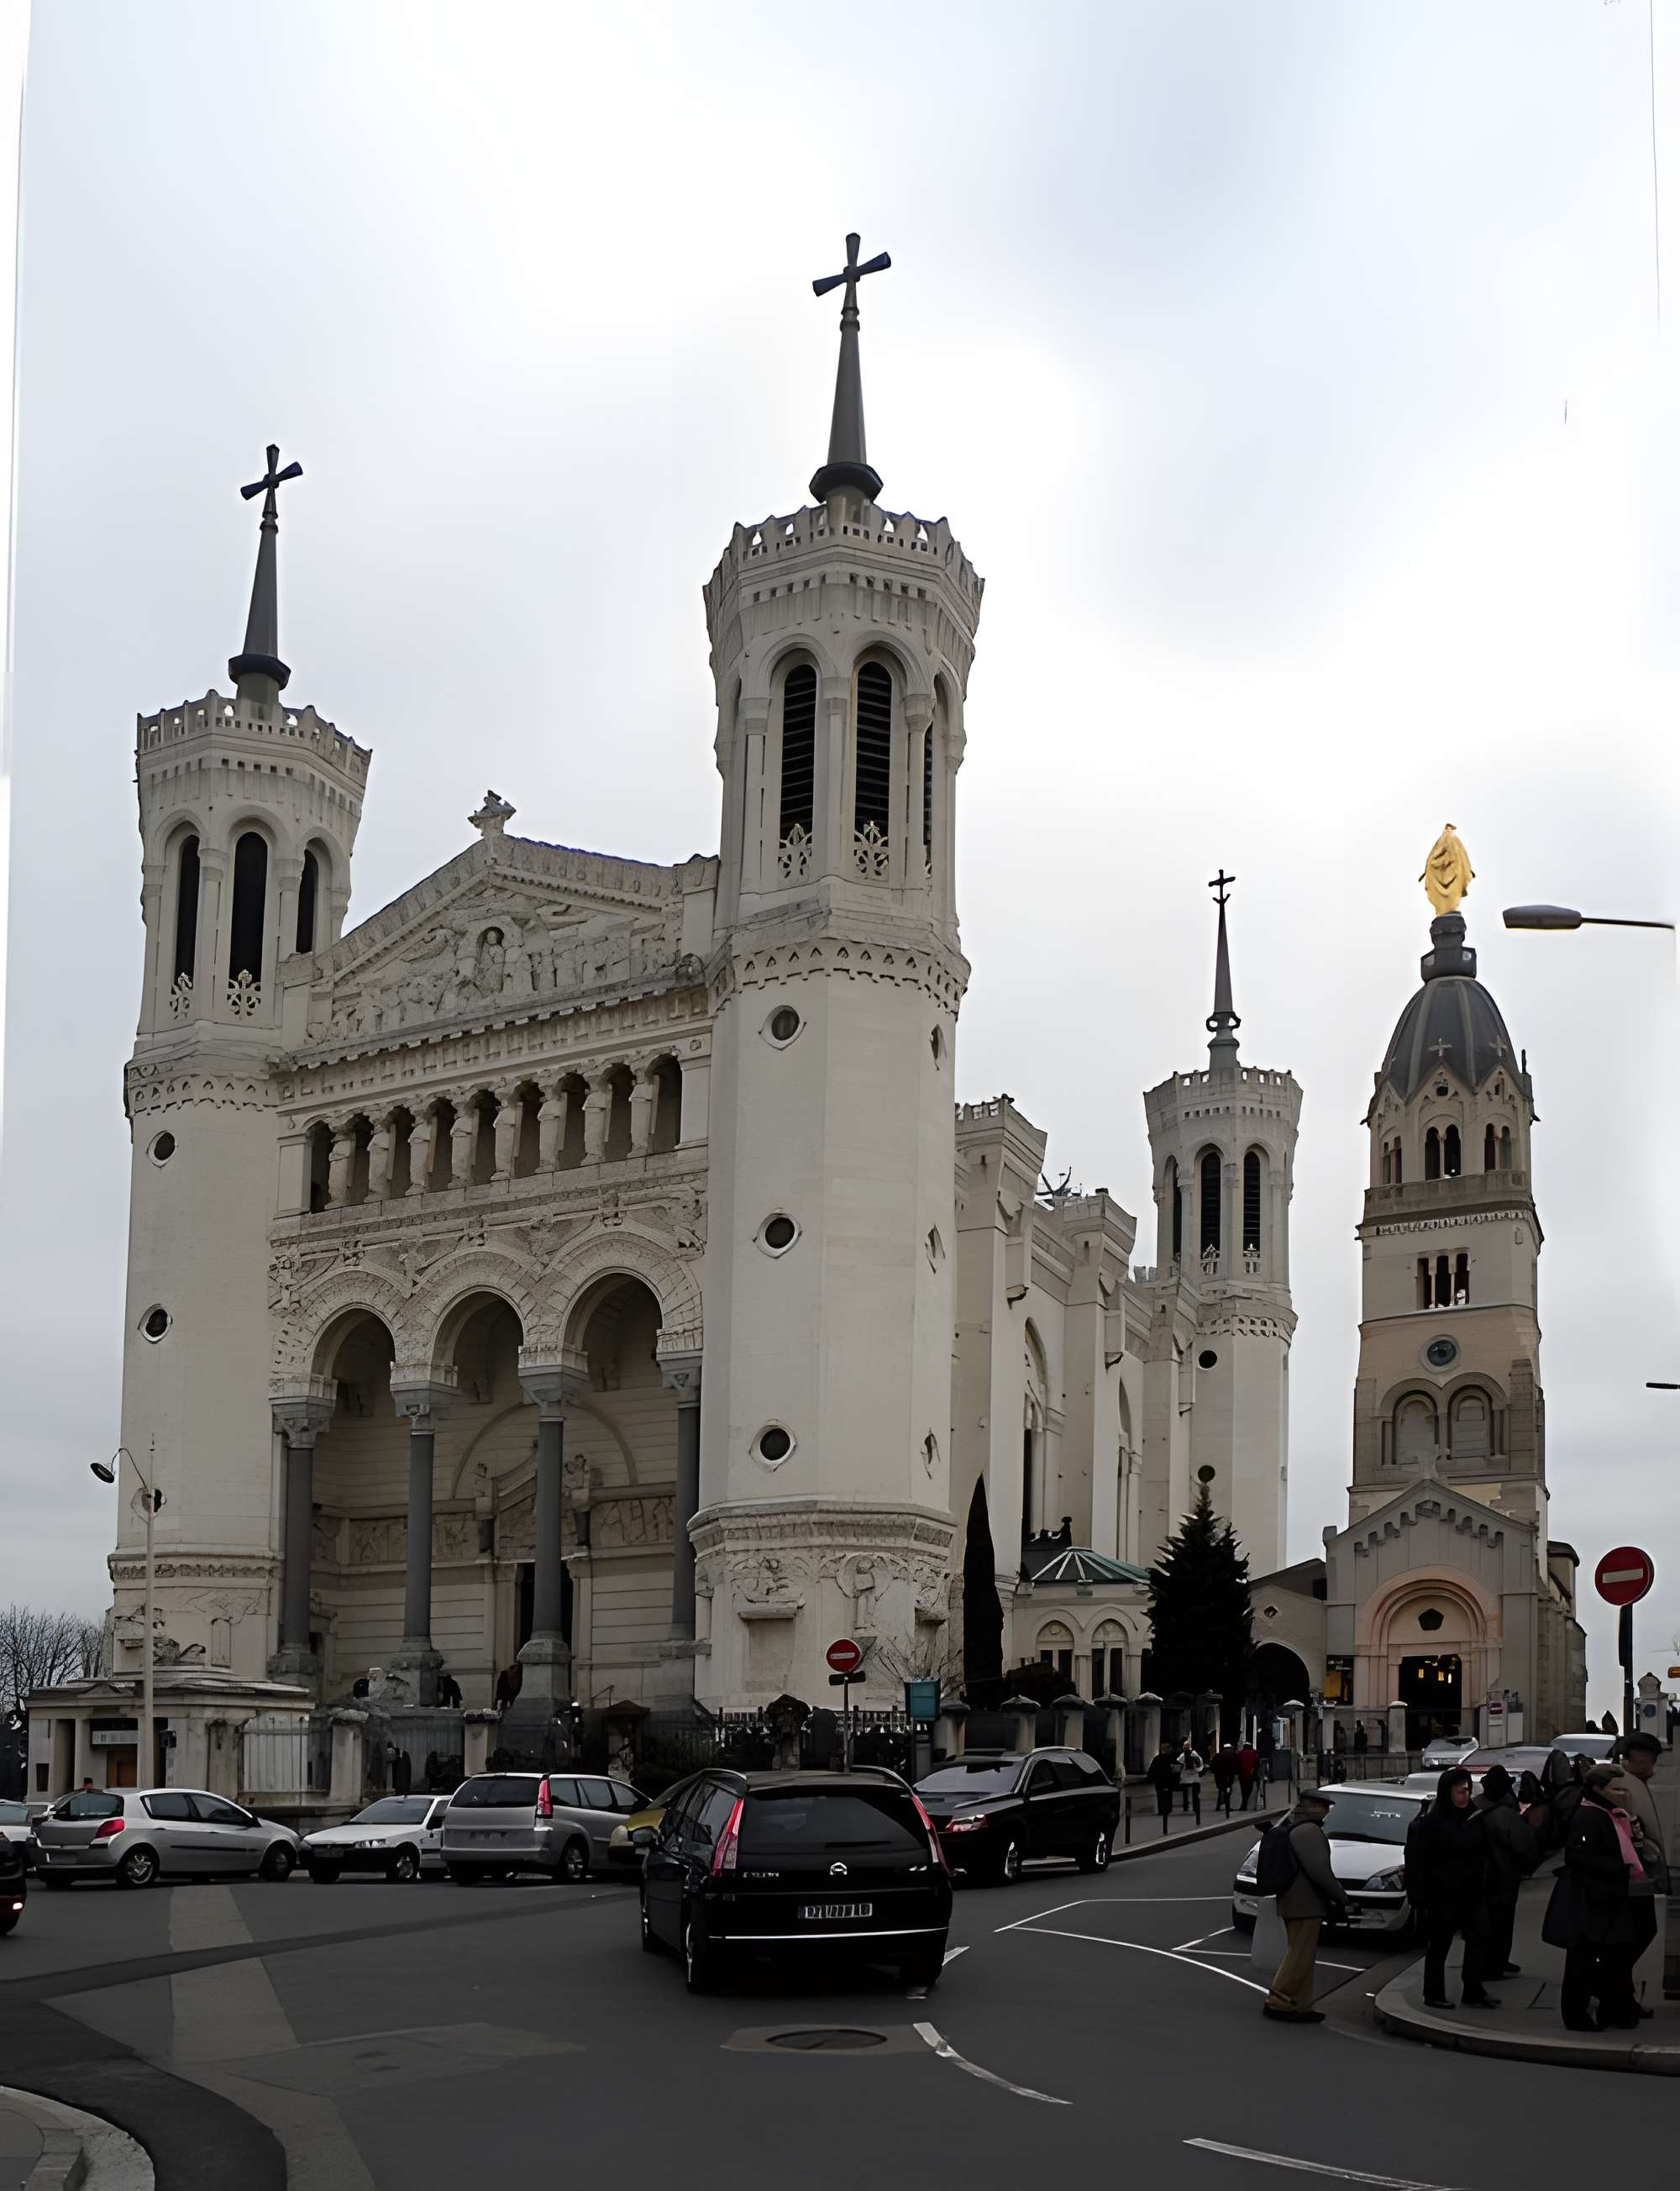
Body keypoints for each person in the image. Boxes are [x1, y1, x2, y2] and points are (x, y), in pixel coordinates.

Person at [1544, 1763, 1656, 2031]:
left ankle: (1612, 2008)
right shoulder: (1588, 1816)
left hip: (1606, 1897)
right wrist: (1619, 1869)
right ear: (1598, 1790)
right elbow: (1578, 1857)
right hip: (1590, 1900)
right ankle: (1577, 2016)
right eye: (1614, 1789)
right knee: (1583, 1962)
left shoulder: (1609, 1813)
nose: (1620, 1794)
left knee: (1607, 1956)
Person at [1404, 1768, 1496, 2010]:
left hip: (1472, 1892)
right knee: (1440, 1944)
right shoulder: (1432, 1824)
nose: (1465, 1796)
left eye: (1468, 1791)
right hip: (1443, 1895)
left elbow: (1485, 1852)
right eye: (1460, 1791)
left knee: (1479, 1939)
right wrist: (1422, 1896)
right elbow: (1420, 1862)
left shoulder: (1475, 1818)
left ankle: (1473, 1989)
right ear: (1448, 1793)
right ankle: (1433, 1993)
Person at [1259, 1789, 1348, 2024]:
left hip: (1294, 1899)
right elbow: (1319, 1870)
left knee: (1305, 1954)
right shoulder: (1309, 1831)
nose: (1327, 1811)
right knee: (1299, 1954)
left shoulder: (1294, 1828)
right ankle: (1279, 2000)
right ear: (1312, 1807)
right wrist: (1340, 1896)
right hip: (1304, 1902)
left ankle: (1300, 2004)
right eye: (1323, 1806)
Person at [1473, 1763, 1540, 1978]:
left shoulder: (1473, 1807)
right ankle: (1497, 1963)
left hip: (1479, 1877)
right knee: (1502, 1922)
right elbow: (1526, 1846)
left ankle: (1486, 1964)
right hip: (1503, 1877)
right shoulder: (1506, 1815)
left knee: (1483, 1924)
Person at [1147, 1741, 1179, 1830]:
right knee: (1169, 1794)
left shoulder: (1157, 1758)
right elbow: (1177, 1769)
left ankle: (1161, 1810)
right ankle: (1168, 1809)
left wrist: (1149, 1779)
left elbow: (1151, 1770)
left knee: (1160, 1795)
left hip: (1159, 1780)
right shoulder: (1173, 1758)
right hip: (1169, 1780)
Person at [1177, 1736, 1204, 1820]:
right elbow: (1200, 1762)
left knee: (1185, 1793)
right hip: (1194, 1776)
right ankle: (1196, 1807)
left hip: (1185, 1776)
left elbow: (1179, 1762)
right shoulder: (1195, 1753)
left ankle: (1185, 1806)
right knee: (1195, 1793)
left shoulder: (1182, 1755)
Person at [1211, 1741, 1240, 1815]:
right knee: (1228, 1789)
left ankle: (1219, 1804)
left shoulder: (1217, 1755)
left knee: (1221, 1789)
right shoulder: (1234, 1754)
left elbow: (1213, 1766)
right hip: (1229, 1775)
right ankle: (1227, 1804)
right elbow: (1237, 1764)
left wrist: (1215, 1772)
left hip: (1219, 1775)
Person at [1236, 1738, 1260, 1810]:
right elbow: (1257, 1765)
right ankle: (1245, 1805)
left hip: (1242, 1775)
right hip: (1251, 1775)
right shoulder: (1254, 1754)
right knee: (1249, 1790)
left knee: (1243, 1790)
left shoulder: (1240, 1754)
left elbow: (1237, 1764)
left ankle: (1244, 1805)